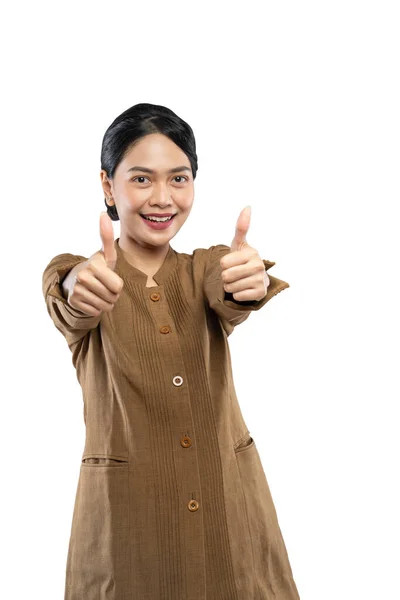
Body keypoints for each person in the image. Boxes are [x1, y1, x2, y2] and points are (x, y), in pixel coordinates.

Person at [42, 102, 300, 600]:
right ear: (107, 185)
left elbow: (231, 284)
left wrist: (250, 277)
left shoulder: (203, 268)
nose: (163, 198)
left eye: (179, 179)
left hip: (230, 511)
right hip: (129, 524)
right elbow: (68, 292)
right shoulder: (83, 274)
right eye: (141, 179)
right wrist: (79, 283)